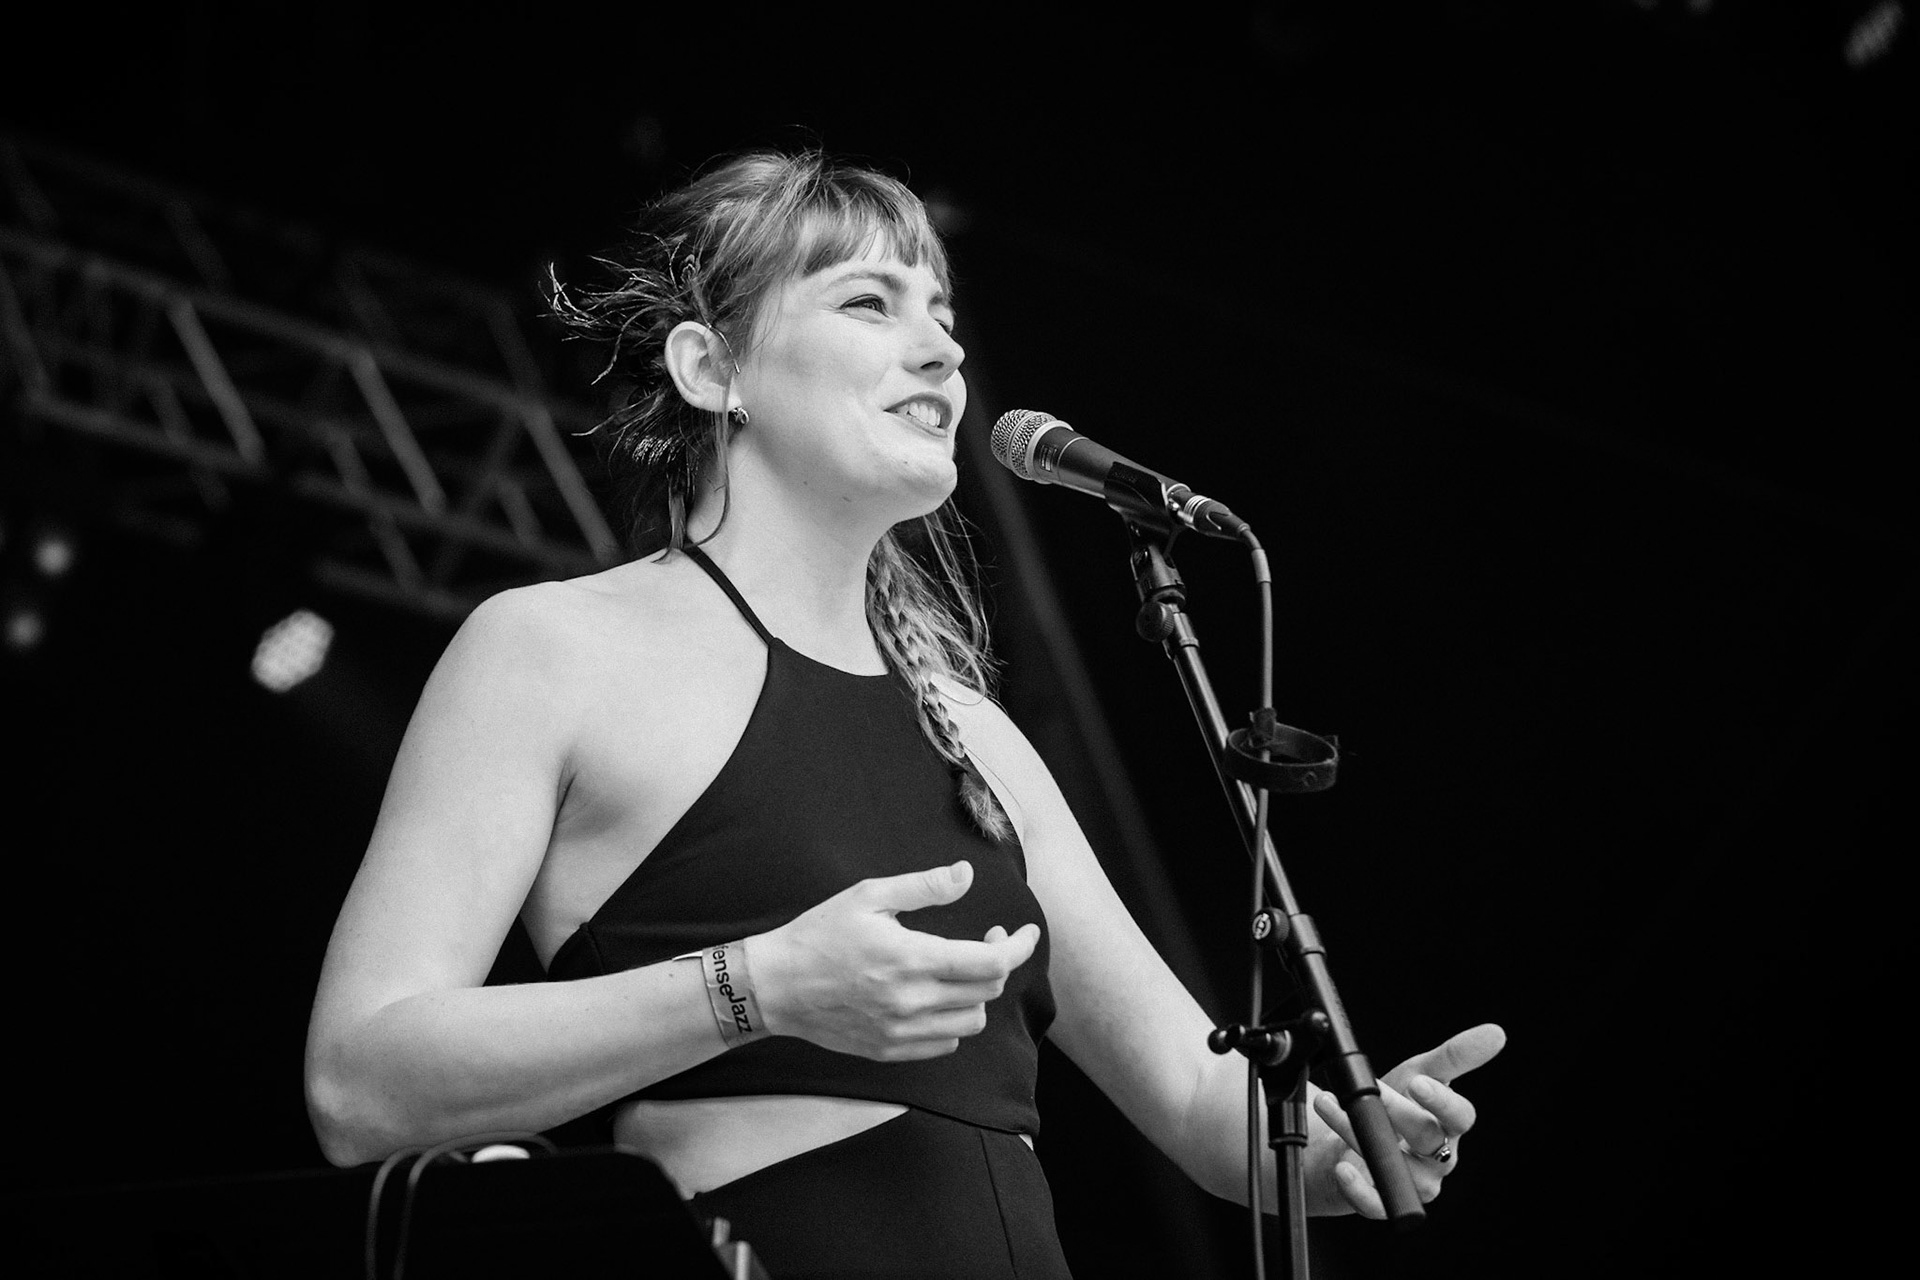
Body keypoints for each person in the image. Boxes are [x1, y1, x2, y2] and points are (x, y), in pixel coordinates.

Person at [304, 149, 1506, 1278]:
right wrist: (760, 984)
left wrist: (1345, 1136)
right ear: (709, 369)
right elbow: (362, 1083)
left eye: (940, 312)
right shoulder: (553, 646)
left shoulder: (972, 730)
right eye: (870, 304)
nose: (940, 349)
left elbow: (1201, 1108)